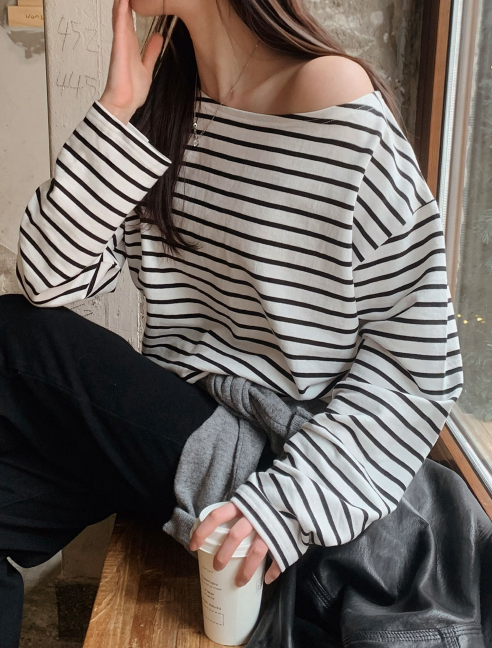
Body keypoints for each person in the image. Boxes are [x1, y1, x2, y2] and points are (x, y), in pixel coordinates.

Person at [1, 0, 463, 645]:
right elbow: (50, 278)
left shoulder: (328, 98)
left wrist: (286, 505)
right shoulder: (169, 101)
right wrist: (115, 112)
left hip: (277, 458)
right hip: (174, 436)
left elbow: (421, 364)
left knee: (11, 336)